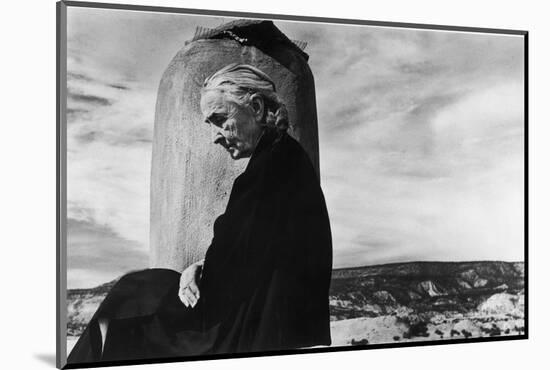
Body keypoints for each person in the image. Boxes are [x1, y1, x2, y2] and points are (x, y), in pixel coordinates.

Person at [67, 64, 333, 364]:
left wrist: (196, 273)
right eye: (210, 124)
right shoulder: (286, 160)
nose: (215, 136)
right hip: (265, 324)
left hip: (248, 334)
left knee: (130, 295)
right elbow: (248, 253)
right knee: (142, 290)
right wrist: (202, 266)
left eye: (220, 120)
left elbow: (227, 278)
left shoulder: (268, 173)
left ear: (256, 108)